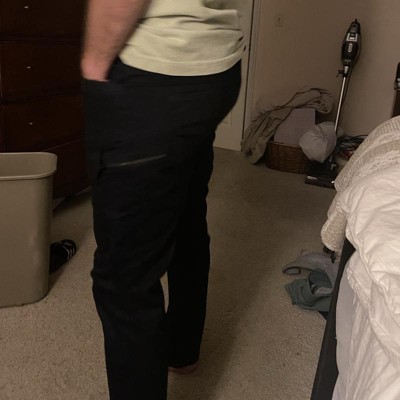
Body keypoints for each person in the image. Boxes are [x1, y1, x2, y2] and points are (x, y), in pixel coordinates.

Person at [81, 1, 245, 399]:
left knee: (124, 277)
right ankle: (182, 350)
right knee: (185, 217)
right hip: (214, 66)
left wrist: (94, 63)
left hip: (152, 73)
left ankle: (178, 351)